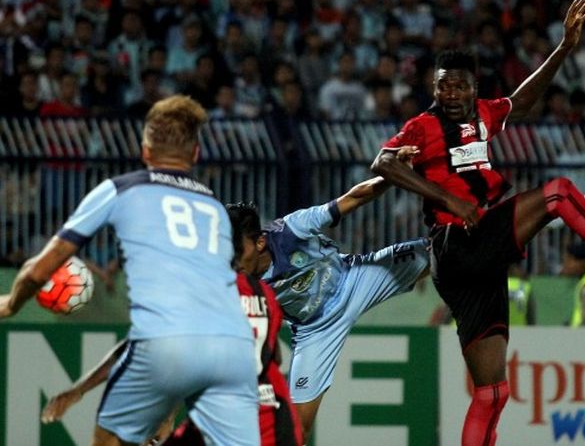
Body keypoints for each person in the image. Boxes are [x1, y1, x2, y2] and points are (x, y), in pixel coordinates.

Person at [370, 0, 585, 446]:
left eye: (459, 87)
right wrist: (450, 198)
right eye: (443, 87)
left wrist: (564, 47)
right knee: (559, 192)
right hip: (454, 242)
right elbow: (382, 163)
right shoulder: (422, 126)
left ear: (473, 88)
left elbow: (521, 101)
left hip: (475, 265)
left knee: (491, 393)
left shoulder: (484, 114)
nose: (450, 95)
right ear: (434, 86)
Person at [0, 95, 259, 446]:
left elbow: (38, 270)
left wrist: (11, 304)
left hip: (163, 345)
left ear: (145, 151)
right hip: (235, 348)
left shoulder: (121, 189)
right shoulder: (213, 206)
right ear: (196, 154)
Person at [41, 207, 304, 446]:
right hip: (275, 422)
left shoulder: (200, 294)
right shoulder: (265, 296)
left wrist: (79, 390)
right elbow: (272, 360)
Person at [227, 166, 430, 442]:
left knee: (440, 251)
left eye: (239, 251)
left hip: (354, 280)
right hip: (314, 329)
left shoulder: (291, 229)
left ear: (261, 242)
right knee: (297, 429)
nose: (234, 260)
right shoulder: (236, 281)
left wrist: (394, 175)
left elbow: (353, 198)